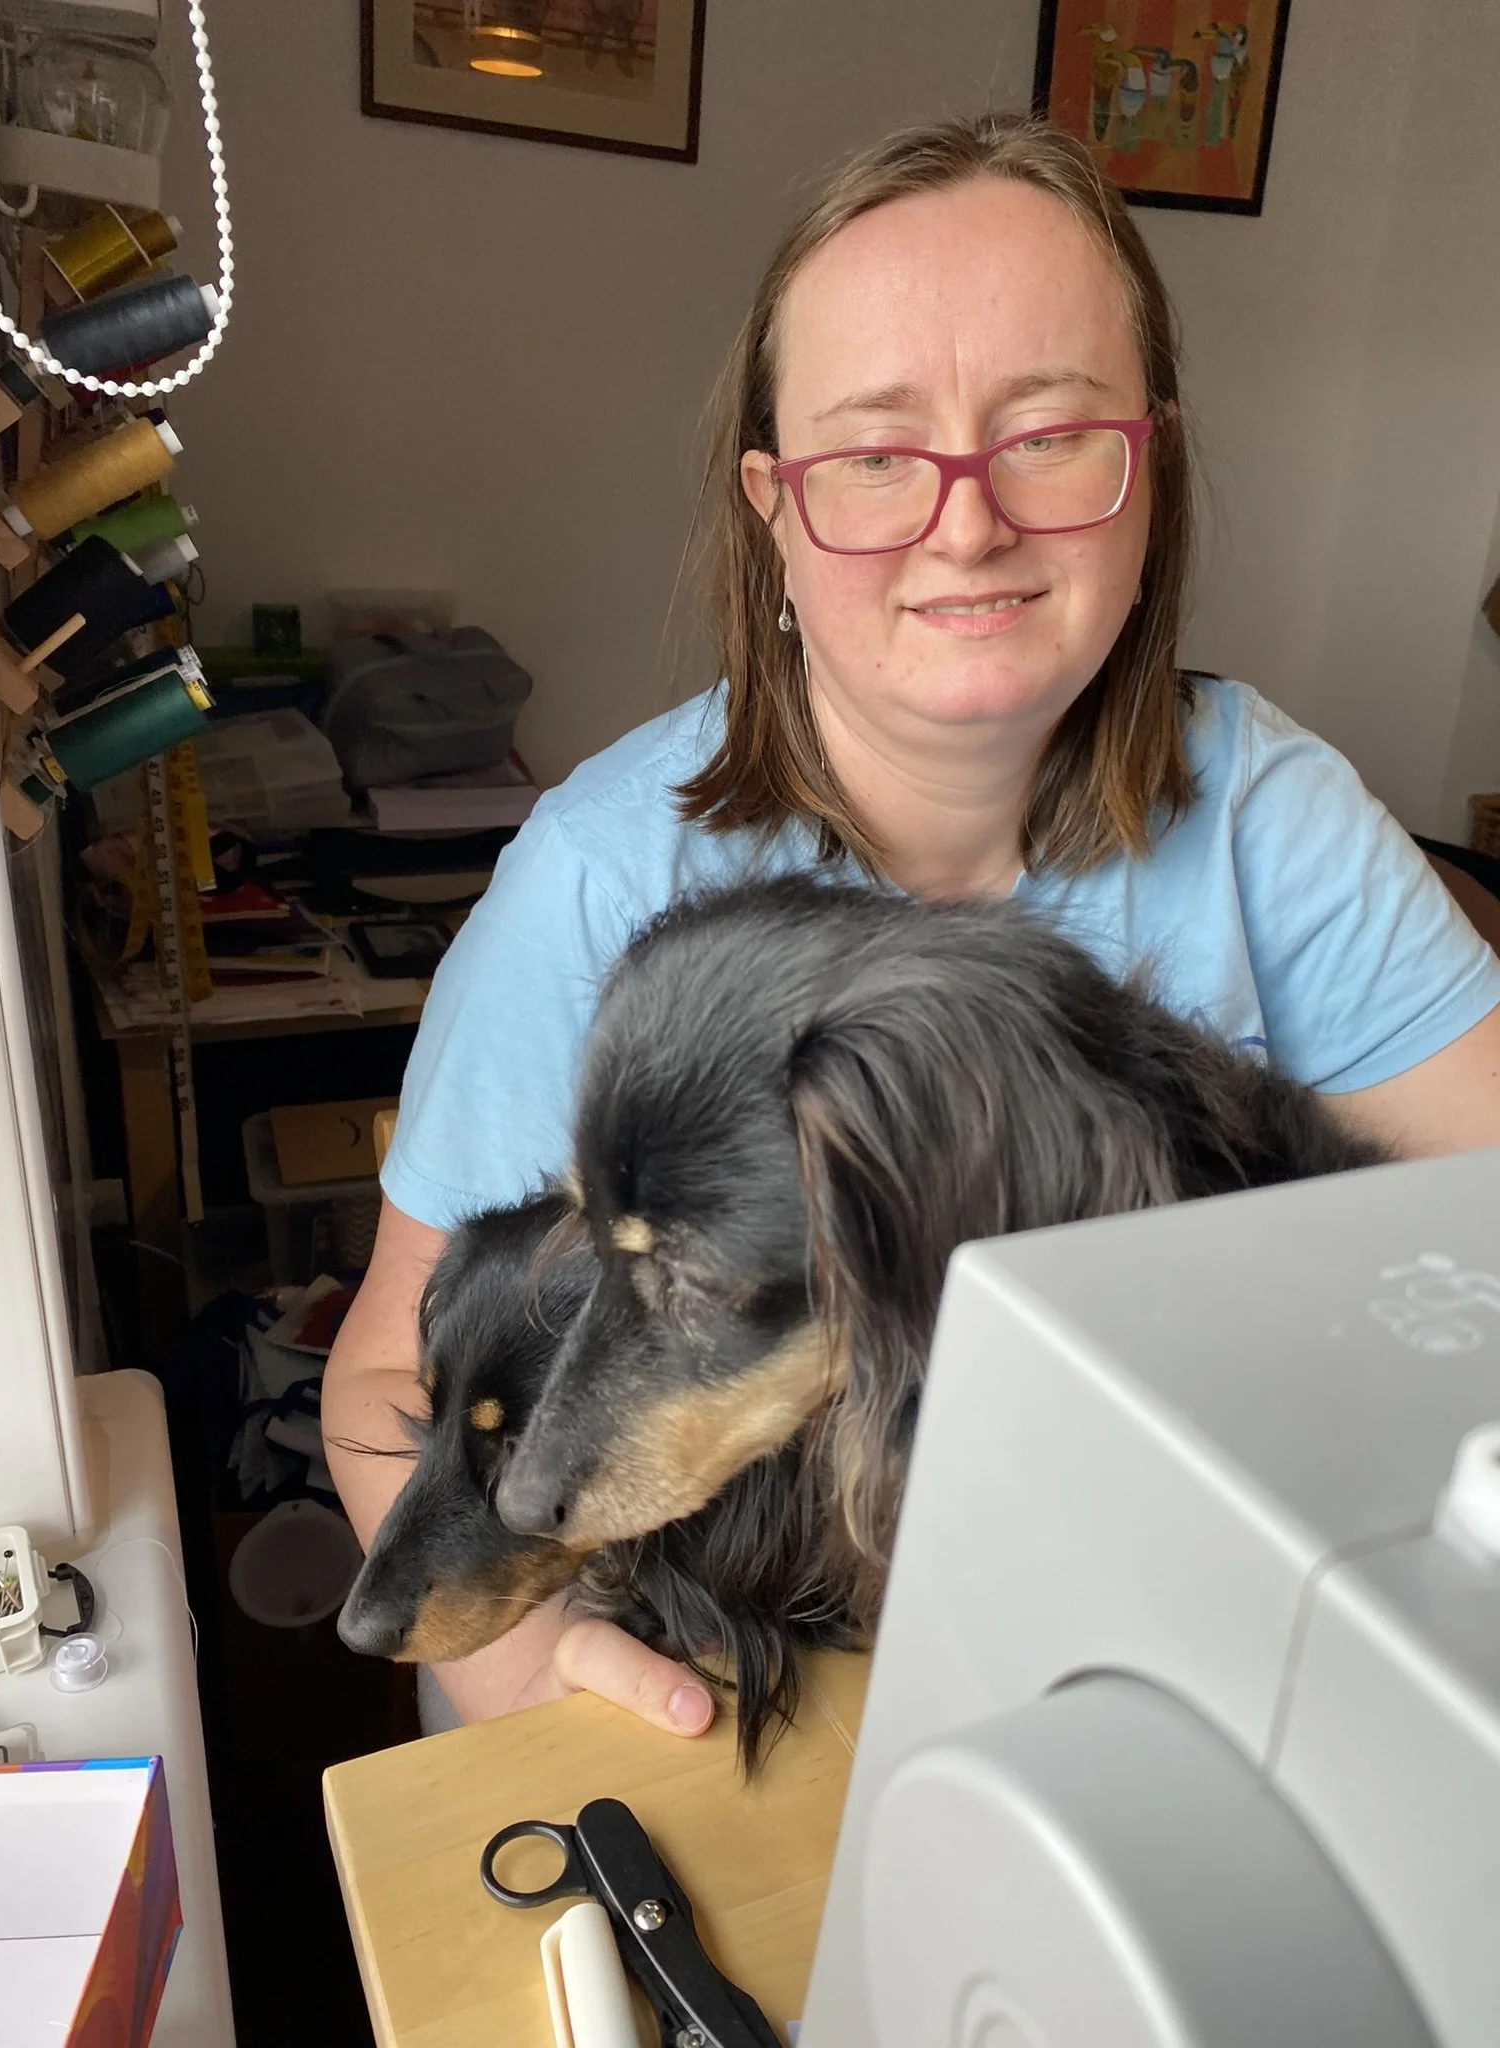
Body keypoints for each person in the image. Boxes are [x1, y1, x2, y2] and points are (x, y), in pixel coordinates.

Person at [323, 111, 1500, 1740]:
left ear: (1145, 469)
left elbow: (1474, 1249)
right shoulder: (602, 878)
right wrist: (541, 1672)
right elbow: (395, 1380)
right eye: (878, 450)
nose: (966, 521)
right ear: (776, 509)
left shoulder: (1270, 814)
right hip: (715, 1703)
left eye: (1049, 432)